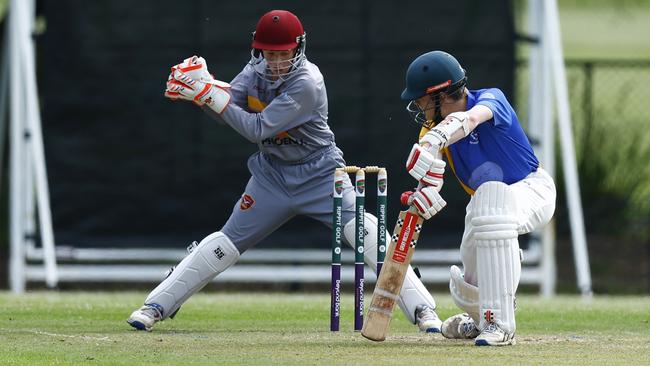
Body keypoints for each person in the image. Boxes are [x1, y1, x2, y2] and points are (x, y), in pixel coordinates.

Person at [127, 10, 442, 333]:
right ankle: (155, 305)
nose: (276, 62)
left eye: (283, 54)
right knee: (225, 245)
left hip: (321, 174)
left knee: (366, 232)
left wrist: (207, 94)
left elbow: (256, 128)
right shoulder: (254, 70)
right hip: (271, 176)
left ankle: (423, 311)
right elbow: (229, 110)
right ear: (258, 50)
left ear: (298, 48)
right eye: (270, 54)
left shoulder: (308, 81)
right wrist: (202, 93)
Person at [400, 51, 556, 346]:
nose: (418, 105)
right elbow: (432, 179)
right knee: (469, 280)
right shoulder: (430, 131)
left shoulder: (490, 99)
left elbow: (472, 118)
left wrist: (441, 136)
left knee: (492, 201)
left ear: (440, 94)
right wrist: (425, 194)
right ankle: (481, 317)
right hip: (483, 207)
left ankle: (501, 324)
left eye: (421, 98)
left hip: (532, 189)